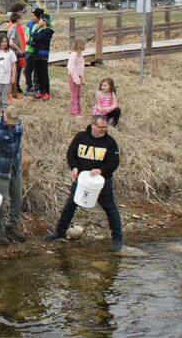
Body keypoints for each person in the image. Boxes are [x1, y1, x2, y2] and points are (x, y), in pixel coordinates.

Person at [45, 114, 122, 252]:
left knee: (110, 208)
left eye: (105, 127)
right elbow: (71, 155)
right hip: (82, 180)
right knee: (71, 204)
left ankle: (117, 239)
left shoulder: (110, 142)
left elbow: (114, 162)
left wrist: (101, 170)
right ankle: (60, 232)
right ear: (93, 125)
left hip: (102, 182)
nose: (104, 130)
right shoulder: (81, 137)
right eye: (101, 127)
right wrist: (74, 167)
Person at [0, 105, 25, 246]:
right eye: (9, 121)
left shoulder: (19, 124)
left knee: (17, 199)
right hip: (0, 169)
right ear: (4, 115)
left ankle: (12, 227)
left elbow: (19, 146)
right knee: (0, 202)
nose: (12, 124)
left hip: (15, 168)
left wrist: (20, 162)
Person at [30, 14, 54, 101]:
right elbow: (35, 41)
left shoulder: (47, 31)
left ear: (44, 22)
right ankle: (41, 91)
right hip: (36, 54)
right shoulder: (41, 31)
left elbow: (37, 38)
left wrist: (35, 31)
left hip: (43, 55)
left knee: (44, 75)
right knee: (38, 74)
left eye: (40, 20)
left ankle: (47, 92)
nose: (39, 22)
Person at [24, 8, 44, 95]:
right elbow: (25, 34)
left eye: (34, 16)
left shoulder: (41, 27)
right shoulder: (30, 25)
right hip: (28, 51)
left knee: (36, 71)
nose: (32, 17)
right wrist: (26, 39)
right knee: (27, 71)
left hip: (36, 52)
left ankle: (36, 88)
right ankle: (29, 86)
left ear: (39, 17)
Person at [6, 13, 26, 98]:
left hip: (12, 55)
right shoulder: (13, 30)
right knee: (14, 74)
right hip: (13, 55)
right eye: (21, 19)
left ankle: (12, 93)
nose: (21, 21)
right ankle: (14, 94)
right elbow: (11, 42)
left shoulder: (11, 29)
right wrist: (19, 50)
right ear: (17, 20)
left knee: (13, 74)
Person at [67, 37, 87, 116]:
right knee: (74, 96)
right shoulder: (73, 55)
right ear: (80, 45)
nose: (85, 46)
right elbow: (71, 68)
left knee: (79, 96)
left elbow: (82, 68)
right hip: (73, 78)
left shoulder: (80, 55)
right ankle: (73, 112)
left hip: (79, 77)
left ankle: (79, 112)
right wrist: (76, 80)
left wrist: (83, 79)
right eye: (84, 44)